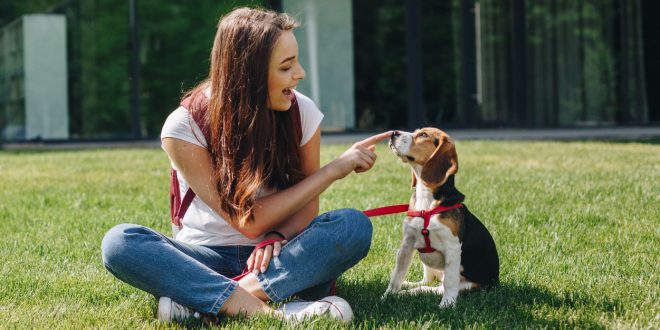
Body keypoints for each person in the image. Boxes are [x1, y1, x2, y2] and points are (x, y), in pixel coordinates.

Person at [101, 7, 391, 323]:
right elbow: (248, 222)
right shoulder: (184, 126)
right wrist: (334, 170)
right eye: (286, 66)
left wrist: (277, 235)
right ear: (248, 74)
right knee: (120, 242)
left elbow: (306, 212)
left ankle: (203, 302)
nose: (300, 74)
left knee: (353, 226)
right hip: (204, 258)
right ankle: (268, 310)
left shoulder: (302, 112)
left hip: (281, 256)